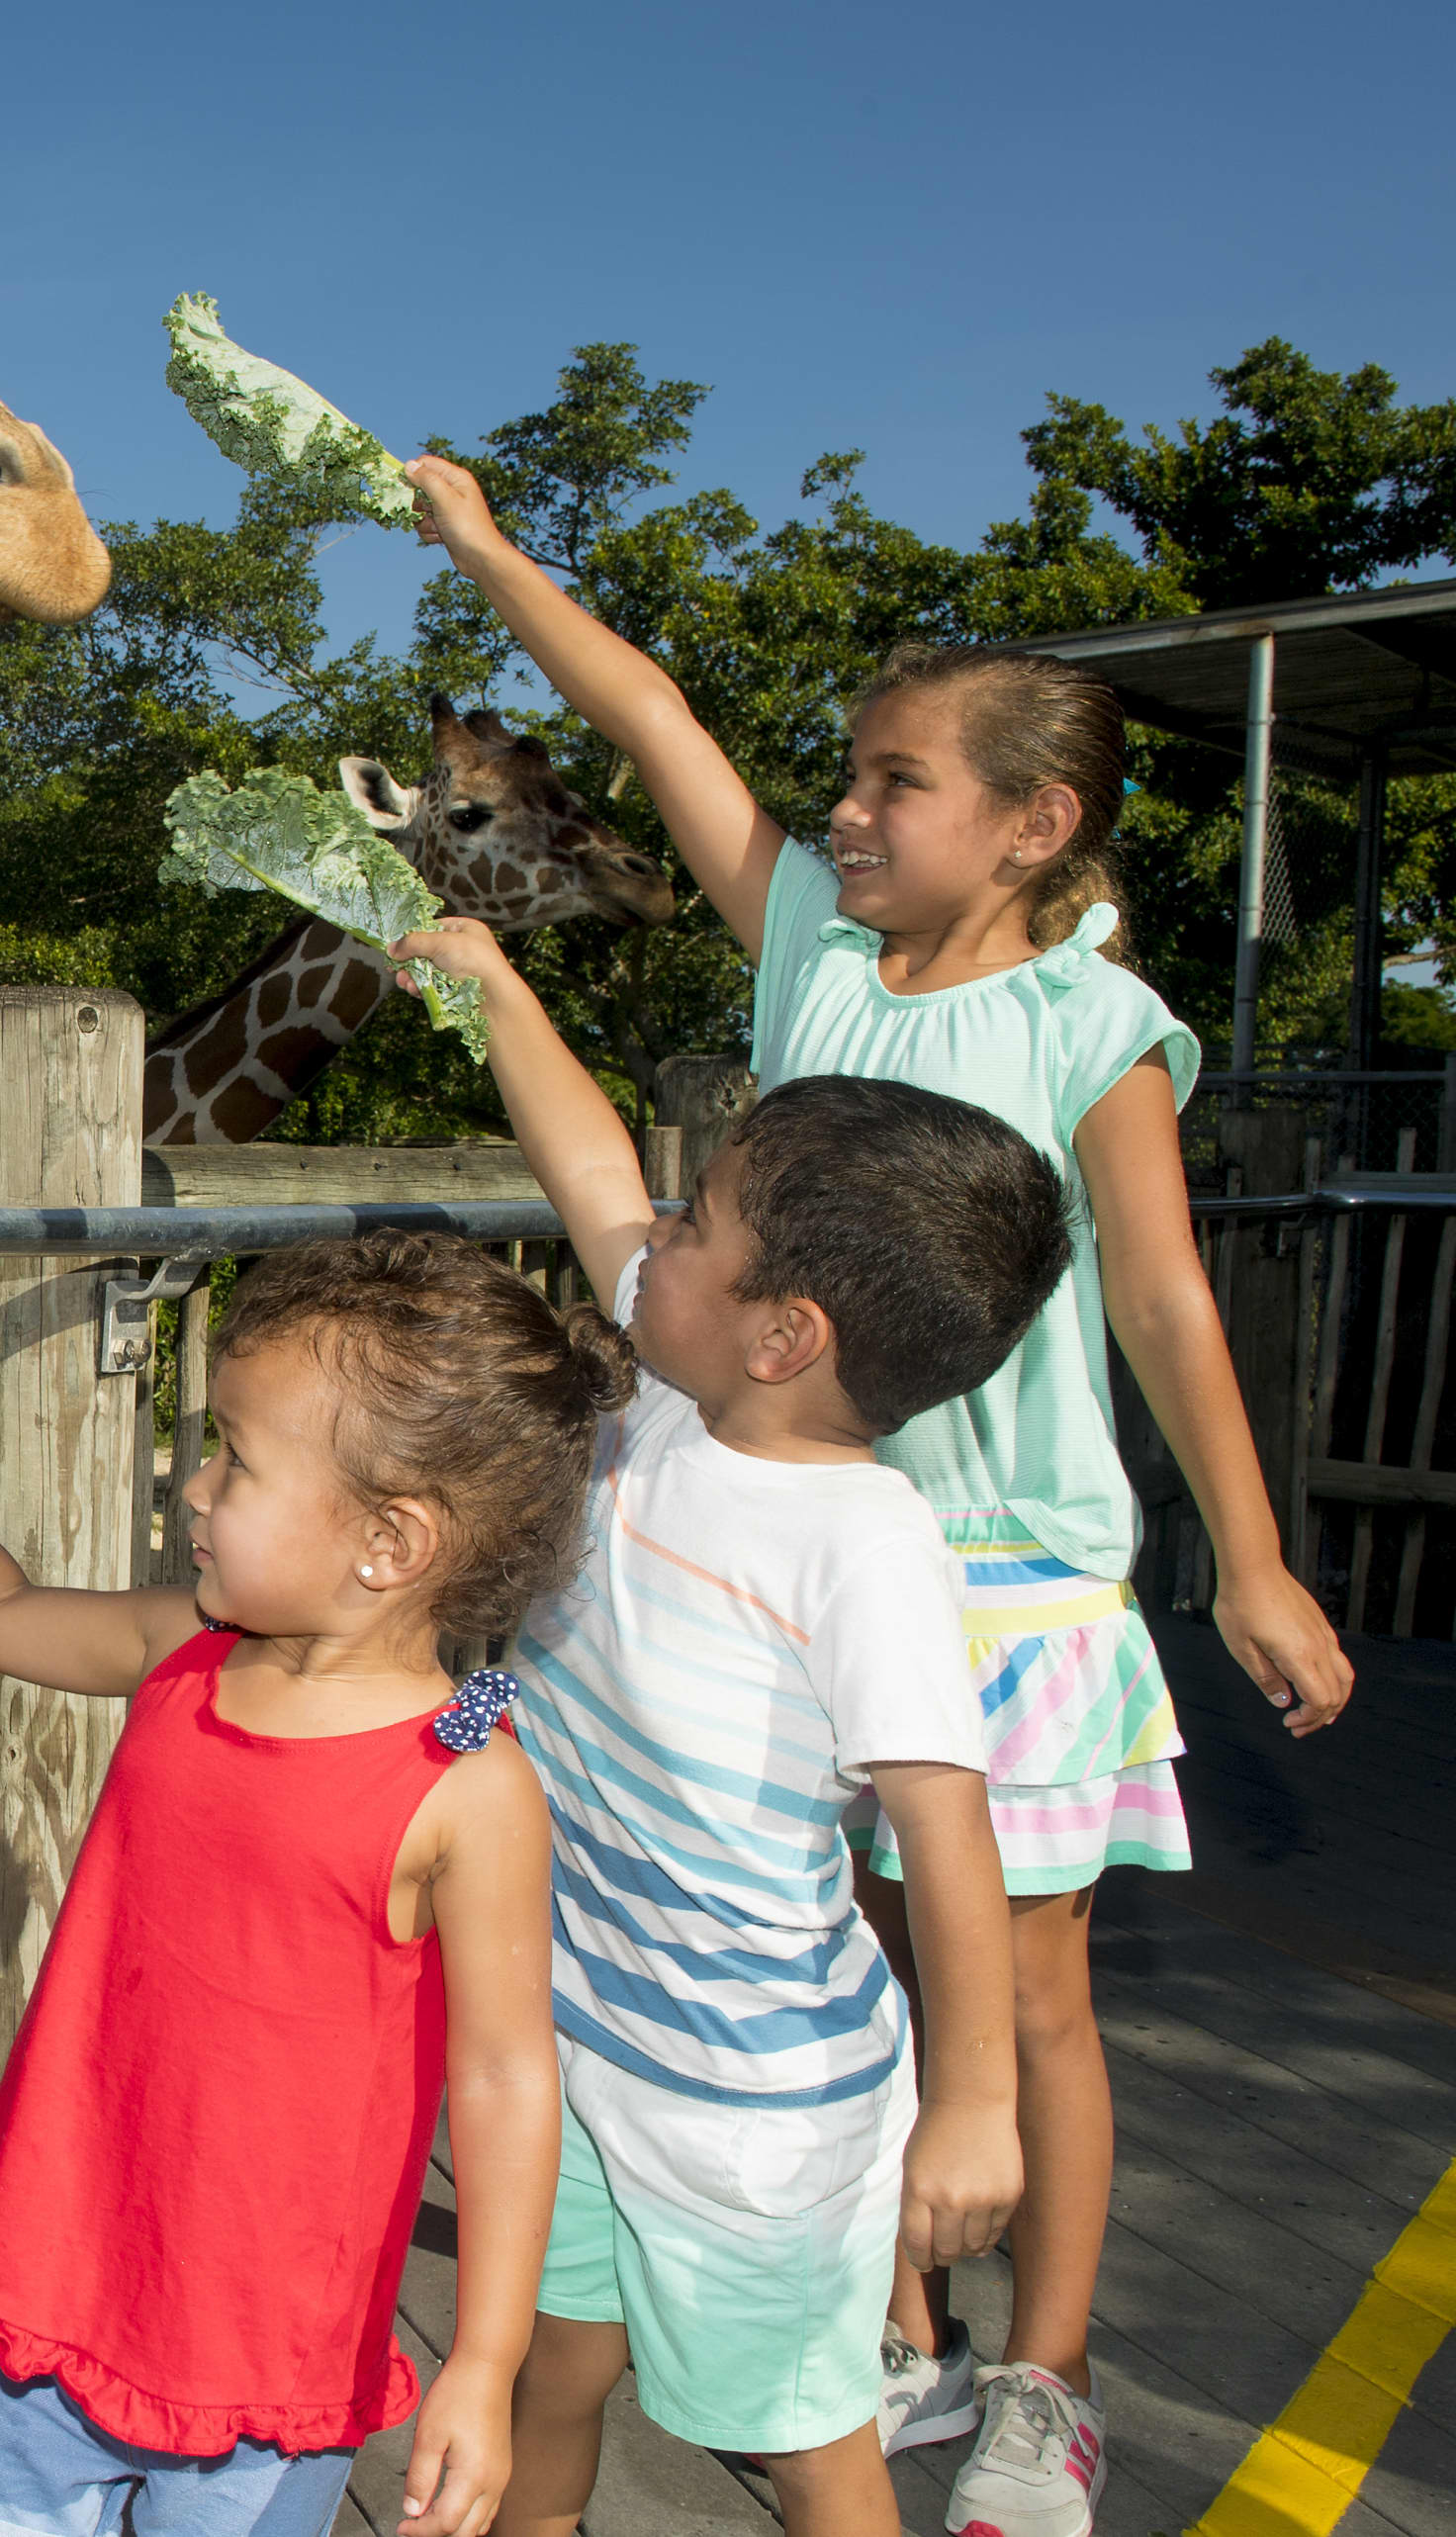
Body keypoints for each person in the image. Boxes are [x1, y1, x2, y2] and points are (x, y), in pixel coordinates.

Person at [410, 450, 1356, 2537]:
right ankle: (886, 2319)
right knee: (814, 1938)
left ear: (1035, 824)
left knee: (1013, 1999)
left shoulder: (1094, 1019)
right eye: (846, 772)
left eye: (895, 779)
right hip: (784, 1540)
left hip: (1004, 1575)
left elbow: (1168, 1294)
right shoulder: (814, 958)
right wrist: (483, 553)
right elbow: (654, 718)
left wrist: (1257, 1554)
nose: (845, 808)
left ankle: (1049, 2371)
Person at [0, 1230, 595, 2537]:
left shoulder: (470, 1787)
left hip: (266, 2356)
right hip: (57, 2272)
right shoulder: (185, 1649)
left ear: (390, 1539)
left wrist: (485, 2364)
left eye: (235, 1458)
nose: (195, 1485)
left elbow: (507, 2078)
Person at [395, 918, 1058, 2537]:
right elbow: (587, 1167)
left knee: (802, 2434)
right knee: (554, 2360)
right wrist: (497, 988)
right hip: (575, 2025)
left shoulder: (865, 1544)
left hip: (753, 2103)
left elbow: (949, 1826)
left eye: (699, 1223)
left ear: (787, 1335)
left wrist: (977, 2104)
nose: (652, 1239)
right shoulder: (680, 1389)